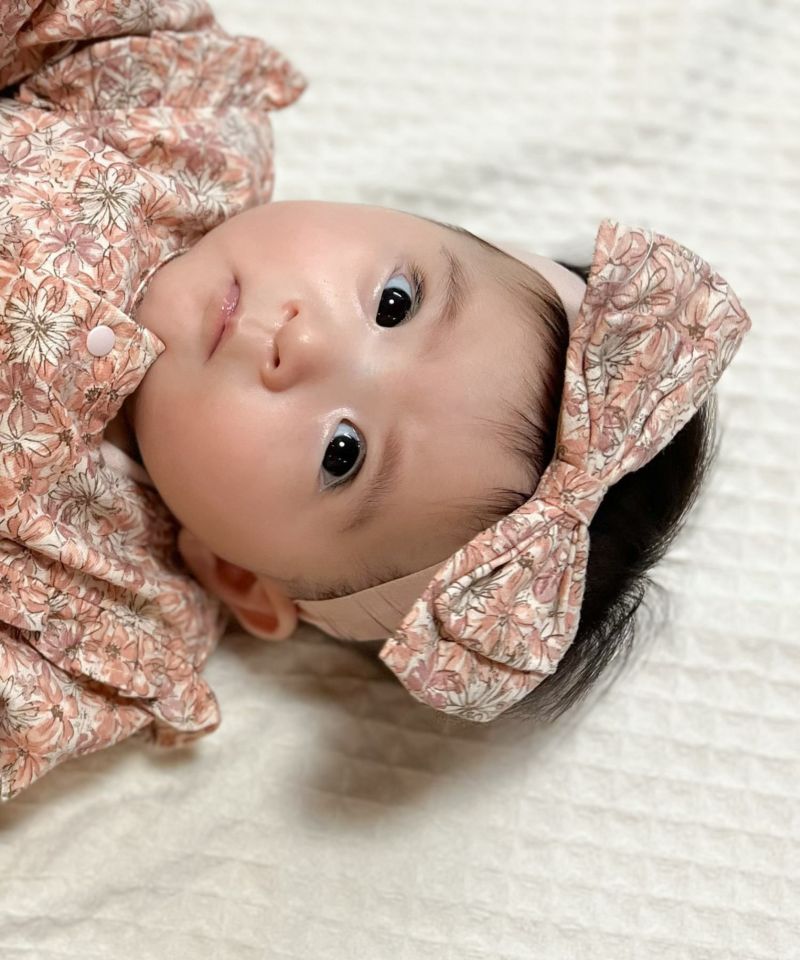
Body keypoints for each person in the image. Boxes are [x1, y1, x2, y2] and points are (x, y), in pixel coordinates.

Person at [0, 0, 753, 801]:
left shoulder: (111, 619)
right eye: (394, 303)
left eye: (343, 453)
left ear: (240, 578)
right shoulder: (179, 122)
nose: (306, 343)